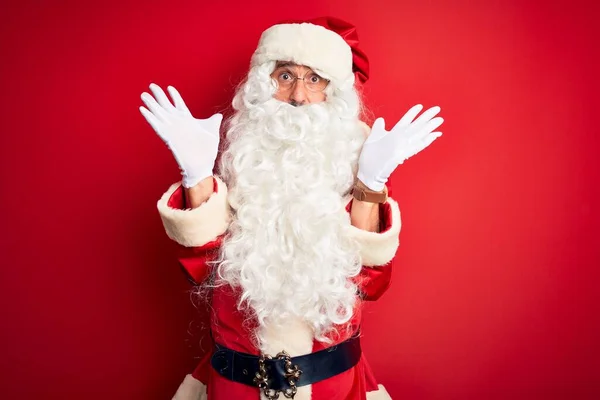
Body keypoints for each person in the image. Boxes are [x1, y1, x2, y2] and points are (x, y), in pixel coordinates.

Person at [140, 16, 443, 400]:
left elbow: (371, 281)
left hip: (333, 387)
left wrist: (371, 185)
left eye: (314, 79)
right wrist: (196, 175)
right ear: (263, 84)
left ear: (333, 92)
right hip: (237, 386)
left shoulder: (354, 166)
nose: (298, 95)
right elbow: (201, 268)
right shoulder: (240, 161)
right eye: (286, 76)